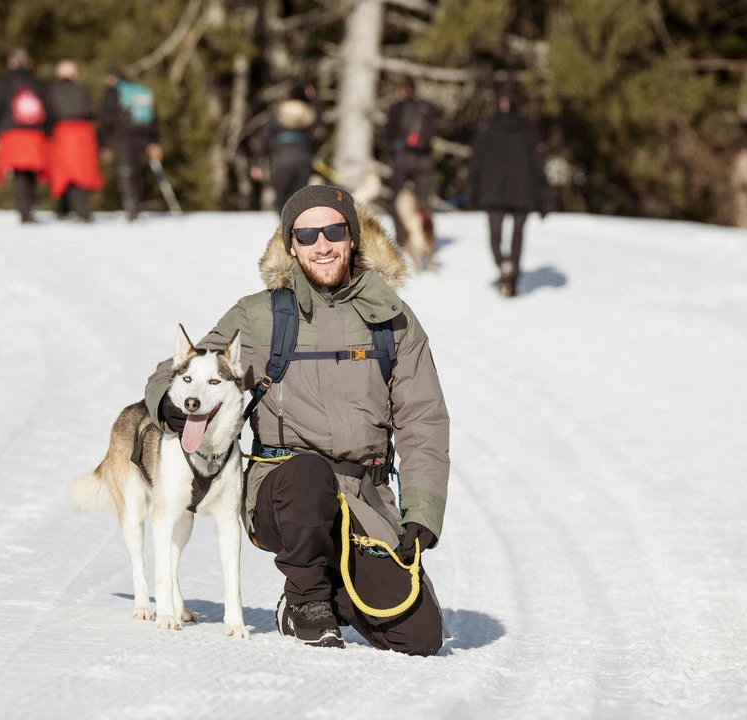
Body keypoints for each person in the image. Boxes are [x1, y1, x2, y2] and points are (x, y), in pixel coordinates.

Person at [143, 185, 451, 656]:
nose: (321, 245)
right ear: (291, 244)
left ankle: (331, 584)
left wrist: (422, 511)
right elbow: (182, 370)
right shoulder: (262, 315)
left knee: (420, 637)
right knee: (308, 475)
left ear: (352, 238)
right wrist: (167, 402)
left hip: (365, 496)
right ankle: (304, 602)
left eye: (332, 231)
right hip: (283, 488)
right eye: (307, 235)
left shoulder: (392, 319)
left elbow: (424, 418)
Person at [467, 87, 547, 297]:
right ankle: (510, 273)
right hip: (521, 190)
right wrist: (544, 195)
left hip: (495, 190)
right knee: (515, 235)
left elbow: (476, 160)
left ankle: (505, 268)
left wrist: (472, 188)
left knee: (497, 234)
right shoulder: (527, 129)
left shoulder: (489, 126)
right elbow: (539, 163)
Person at [0, 47, 50, 224]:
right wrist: (46, 130)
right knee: (31, 170)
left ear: (10, 62)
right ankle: (31, 205)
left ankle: (25, 210)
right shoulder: (38, 82)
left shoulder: (4, 81)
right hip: (35, 133)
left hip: (12, 132)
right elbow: (48, 109)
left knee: (20, 171)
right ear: (29, 62)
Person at [382, 75, 440, 248]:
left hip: (403, 158)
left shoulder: (396, 108)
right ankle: (426, 238)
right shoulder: (428, 108)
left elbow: (389, 135)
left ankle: (402, 239)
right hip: (425, 160)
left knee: (397, 201)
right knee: (423, 203)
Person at [98, 70, 161, 221]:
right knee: (136, 172)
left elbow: (106, 118)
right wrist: (154, 141)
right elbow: (154, 118)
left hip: (123, 137)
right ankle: (136, 205)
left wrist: (104, 144)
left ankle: (132, 208)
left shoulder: (113, 92)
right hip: (143, 136)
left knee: (126, 173)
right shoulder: (140, 91)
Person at [250, 81, 321, 214]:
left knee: (281, 201)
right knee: (300, 199)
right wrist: (313, 99)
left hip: (282, 161)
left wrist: (256, 163)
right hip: (304, 160)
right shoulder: (307, 116)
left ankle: (285, 228)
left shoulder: (278, 115)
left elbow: (263, 139)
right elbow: (319, 122)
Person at [46, 60, 103, 222]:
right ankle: (65, 209)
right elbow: (91, 111)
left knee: (68, 172)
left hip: (63, 133)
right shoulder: (81, 89)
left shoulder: (52, 90)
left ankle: (79, 211)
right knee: (78, 172)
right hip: (83, 134)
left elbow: (49, 113)